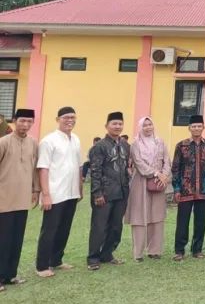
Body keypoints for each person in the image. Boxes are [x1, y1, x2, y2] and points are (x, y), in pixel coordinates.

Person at [36, 106, 82, 278]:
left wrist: (79, 188)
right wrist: (45, 194)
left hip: (71, 192)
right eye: (66, 117)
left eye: (73, 117)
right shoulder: (49, 141)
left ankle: (56, 260)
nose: (70, 120)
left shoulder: (75, 139)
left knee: (64, 227)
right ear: (58, 119)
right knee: (50, 229)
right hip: (55, 193)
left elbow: (79, 166)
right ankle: (42, 265)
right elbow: (43, 168)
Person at [0, 109, 40, 291]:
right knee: (3, 239)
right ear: (15, 121)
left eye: (29, 121)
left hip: (23, 198)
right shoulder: (4, 142)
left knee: (17, 238)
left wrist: (35, 189)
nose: (25, 125)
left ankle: (10, 275)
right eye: (22, 121)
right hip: (4, 198)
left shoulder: (33, 143)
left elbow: (34, 170)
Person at [87, 112, 130, 270]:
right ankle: (93, 258)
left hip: (122, 192)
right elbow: (95, 171)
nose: (117, 126)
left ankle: (107, 254)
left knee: (116, 226)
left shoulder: (125, 145)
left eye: (120, 124)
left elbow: (126, 167)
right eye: (114, 124)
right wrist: (97, 193)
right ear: (107, 126)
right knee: (99, 226)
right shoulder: (99, 146)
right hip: (104, 194)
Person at [124, 116, 171, 262]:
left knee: (157, 216)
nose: (148, 127)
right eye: (145, 125)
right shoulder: (135, 144)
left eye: (150, 124)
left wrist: (164, 175)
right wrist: (156, 173)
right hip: (141, 182)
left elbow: (167, 161)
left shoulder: (160, 142)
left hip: (158, 183)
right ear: (140, 128)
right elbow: (138, 163)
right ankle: (138, 253)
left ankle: (154, 250)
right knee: (139, 216)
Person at [172, 115, 205, 261]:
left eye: (199, 126)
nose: (196, 129)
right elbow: (176, 168)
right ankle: (179, 251)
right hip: (185, 190)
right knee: (182, 221)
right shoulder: (181, 145)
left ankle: (197, 250)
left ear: (203, 128)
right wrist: (177, 188)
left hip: (203, 190)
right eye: (194, 126)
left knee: (201, 222)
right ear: (189, 128)